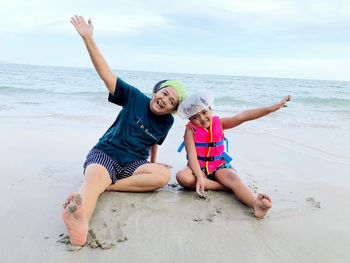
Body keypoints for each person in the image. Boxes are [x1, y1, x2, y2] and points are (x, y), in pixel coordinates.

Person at [63, 15, 187, 246]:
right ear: (157, 90)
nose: (165, 100)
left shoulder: (166, 123)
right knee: (93, 181)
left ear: (173, 109)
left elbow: (153, 143)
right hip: (106, 154)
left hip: (133, 165)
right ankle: (79, 219)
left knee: (162, 175)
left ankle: (107, 188)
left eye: (172, 101)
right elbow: (106, 74)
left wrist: (154, 164)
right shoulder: (134, 97)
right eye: (165, 93)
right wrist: (88, 38)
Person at [176, 91, 291, 219]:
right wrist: (199, 176)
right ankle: (224, 187)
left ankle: (256, 204)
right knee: (182, 177)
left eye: (204, 112)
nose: (202, 119)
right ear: (190, 119)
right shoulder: (190, 131)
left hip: (219, 166)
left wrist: (272, 108)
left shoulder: (220, 123)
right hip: (199, 168)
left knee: (233, 178)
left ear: (210, 108)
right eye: (195, 117)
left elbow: (244, 116)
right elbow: (192, 157)